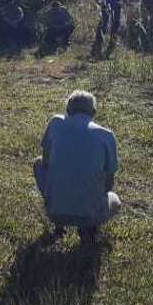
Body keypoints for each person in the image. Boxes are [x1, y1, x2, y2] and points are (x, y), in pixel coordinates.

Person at [32, 90, 120, 243]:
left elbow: (45, 162)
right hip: (91, 214)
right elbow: (108, 184)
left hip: (55, 213)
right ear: (93, 112)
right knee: (115, 200)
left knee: (38, 163)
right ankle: (89, 229)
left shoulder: (55, 123)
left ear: (67, 110)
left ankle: (58, 217)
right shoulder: (106, 135)